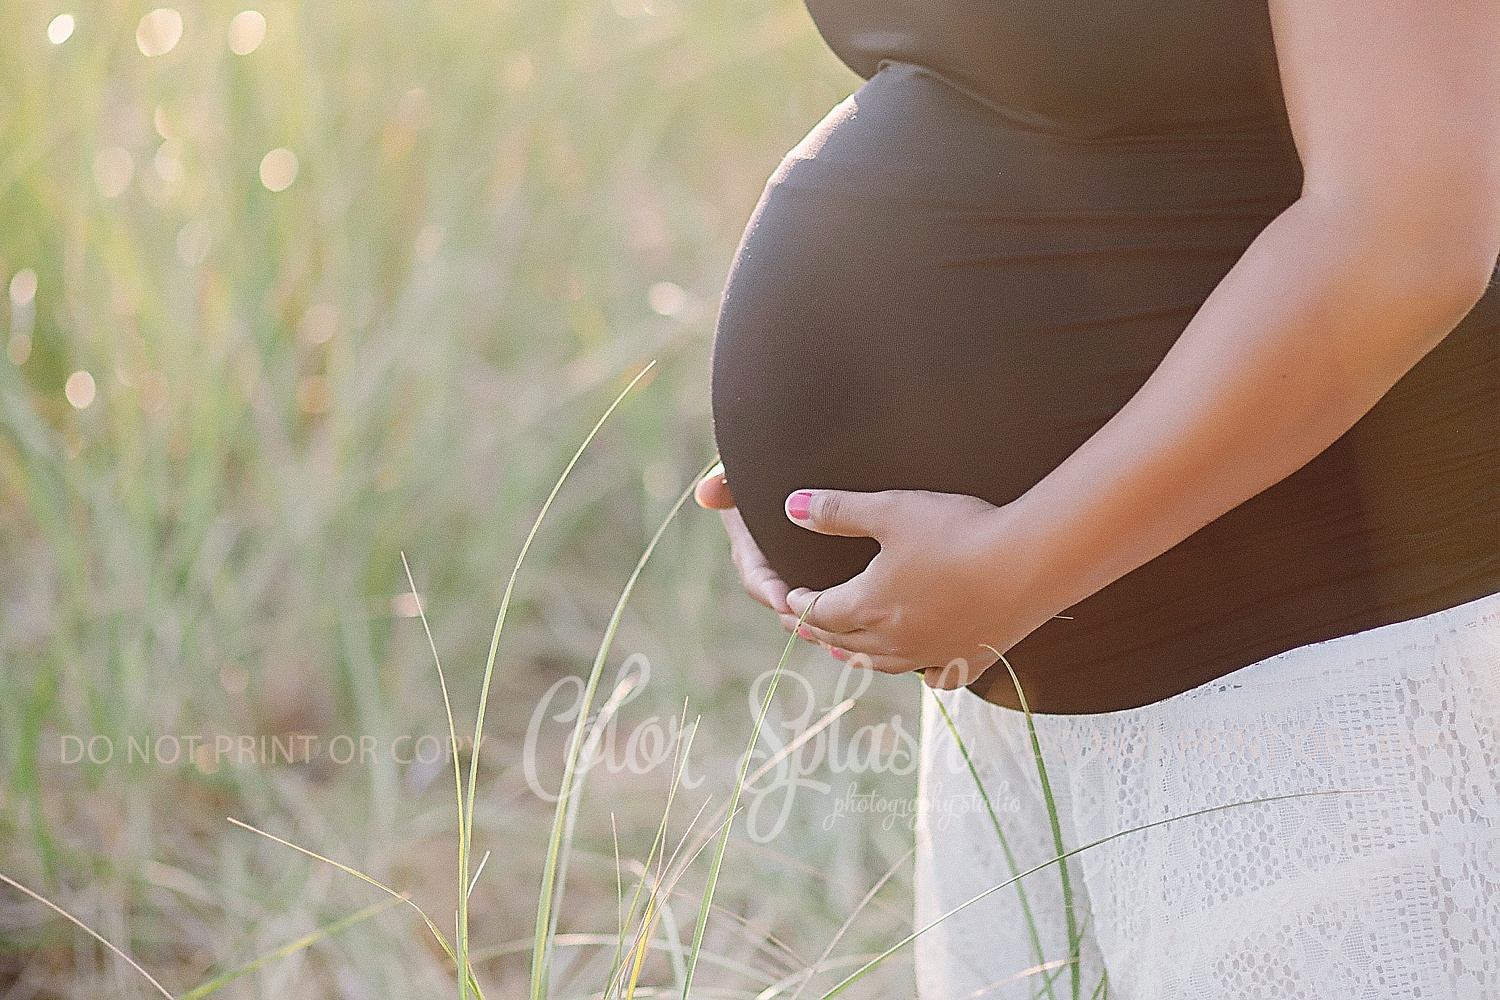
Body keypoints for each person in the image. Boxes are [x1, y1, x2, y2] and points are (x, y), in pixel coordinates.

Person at [697, 0, 1500, 996]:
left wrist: (1015, 560)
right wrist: (805, 464)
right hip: (1024, 689)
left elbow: (1409, 232)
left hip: (1310, 683)